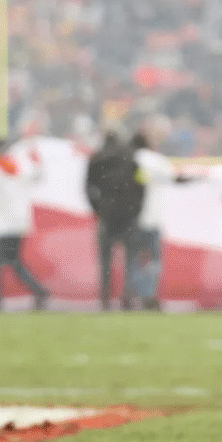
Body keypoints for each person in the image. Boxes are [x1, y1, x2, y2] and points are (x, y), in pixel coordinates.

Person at [0, 137, 49, 311]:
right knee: (14, 261)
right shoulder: (19, 167)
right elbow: (38, 175)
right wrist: (36, 160)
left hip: (1, 226)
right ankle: (40, 292)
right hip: (21, 224)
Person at [85, 130, 145, 310]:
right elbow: (142, 185)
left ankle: (105, 297)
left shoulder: (96, 159)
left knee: (105, 260)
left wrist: (98, 209)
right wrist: (137, 209)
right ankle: (127, 296)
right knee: (130, 258)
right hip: (128, 213)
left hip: (107, 212)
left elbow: (88, 188)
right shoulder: (130, 158)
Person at [129, 131, 183, 311]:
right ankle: (149, 293)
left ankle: (136, 294)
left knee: (135, 259)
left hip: (133, 217)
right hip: (154, 217)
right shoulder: (158, 160)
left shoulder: (128, 159)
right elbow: (174, 178)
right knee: (154, 260)